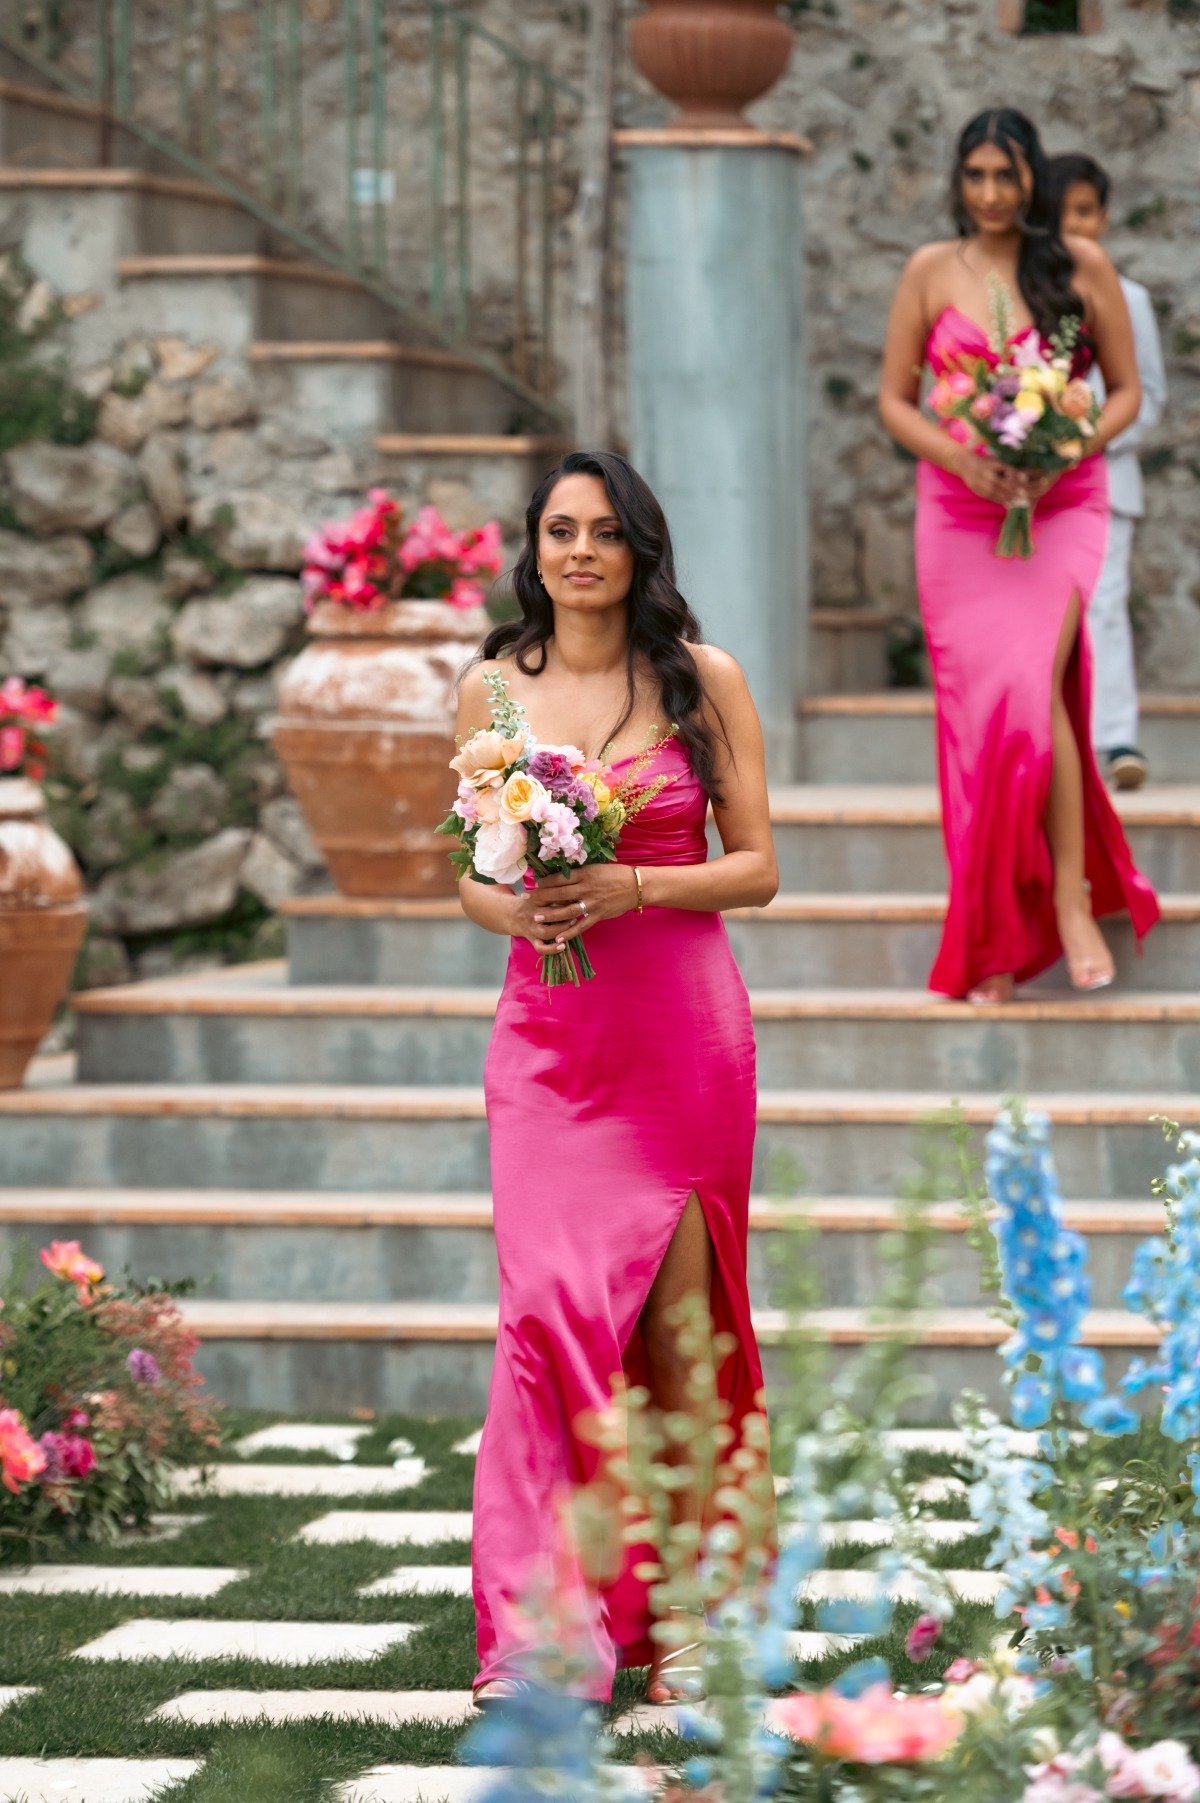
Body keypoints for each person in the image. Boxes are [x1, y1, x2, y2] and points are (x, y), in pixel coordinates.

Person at [455, 449, 778, 1707]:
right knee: (547, 1316)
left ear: (640, 548)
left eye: (602, 531)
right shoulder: (491, 687)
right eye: (556, 530)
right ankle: (545, 1636)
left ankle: (687, 1624)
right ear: (532, 551)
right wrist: (516, 916)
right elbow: (472, 874)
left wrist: (637, 882)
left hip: (682, 1038)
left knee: (681, 1338)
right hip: (548, 1043)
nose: (578, 551)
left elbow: (755, 869)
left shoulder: (705, 681)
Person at [878, 106, 1159, 1004]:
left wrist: (1066, 451)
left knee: (1035, 702)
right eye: (976, 177)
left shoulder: (1078, 266)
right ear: (958, 182)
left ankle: (1072, 901)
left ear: (1032, 177)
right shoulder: (928, 271)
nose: (992, 194)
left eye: (1007, 176)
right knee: (986, 721)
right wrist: (961, 455)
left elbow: (1124, 391)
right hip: (958, 511)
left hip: (1064, 503)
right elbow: (894, 400)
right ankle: (992, 929)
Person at [1047, 152, 1168, 791]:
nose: (1075, 226)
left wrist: (1091, 444)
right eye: (1063, 212)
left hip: (1107, 483)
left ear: (1106, 216)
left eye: (1087, 212)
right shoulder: (1028, 290)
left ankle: (1115, 737)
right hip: (1035, 489)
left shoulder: (1131, 298)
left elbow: (1145, 394)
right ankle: (1050, 739)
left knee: (1106, 606)